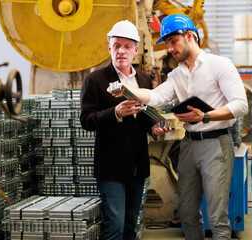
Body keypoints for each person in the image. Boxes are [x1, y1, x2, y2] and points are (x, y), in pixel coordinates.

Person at [109, 14, 248, 240]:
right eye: (167, 43)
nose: (169, 48)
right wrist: (126, 89)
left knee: (216, 217)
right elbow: (155, 96)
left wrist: (205, 116)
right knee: (187, 212)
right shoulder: (177, 74)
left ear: (190, 36)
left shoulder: (219, 65)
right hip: (189, 146)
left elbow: (241, 105)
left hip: (216, 144)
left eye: (173, 41)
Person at [80, 20, 168, 240]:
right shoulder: (95, 80)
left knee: (130, 226)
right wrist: (116, 113)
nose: (121, 51)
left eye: (127, 46)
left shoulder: (144, 79)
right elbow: (86, 120)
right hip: (111, 168)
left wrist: (154, 128)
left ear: (136, 50)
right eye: (116, 46)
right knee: (115, 227)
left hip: (138, 166)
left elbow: (145, 116)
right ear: (109, 48)